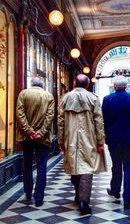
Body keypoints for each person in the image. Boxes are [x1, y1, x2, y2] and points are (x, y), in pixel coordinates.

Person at [57, 74, 106, 215]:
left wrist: (60, 140)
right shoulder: (93, 98)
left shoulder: (65, 98)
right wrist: (100, 141)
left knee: (74, 165)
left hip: (70, 137)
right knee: (86, 168)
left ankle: (80, 195)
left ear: (74, 83)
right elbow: (99, 121)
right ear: (87, 84)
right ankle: (83, 200)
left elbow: (60, 122)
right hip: (89, 138)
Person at [102, 75, 130, 209]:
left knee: (116, 166)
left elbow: (104, 120)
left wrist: (106, 135)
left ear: (114, 87)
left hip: (114, 139)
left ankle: (115, 191)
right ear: (126, 86)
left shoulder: (107, 100)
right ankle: (128, 198)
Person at [16, 77, 55, 207]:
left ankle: (27, 192)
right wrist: (41, 133)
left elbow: (19, 114)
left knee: (27, 164)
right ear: (42, 85)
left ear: (31, 84)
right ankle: (39, 197)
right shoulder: (48, 96)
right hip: (42, 139)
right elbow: (50, 117)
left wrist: (29, 131)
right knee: (42, 165)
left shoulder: (24, 93)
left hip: (26, 137)